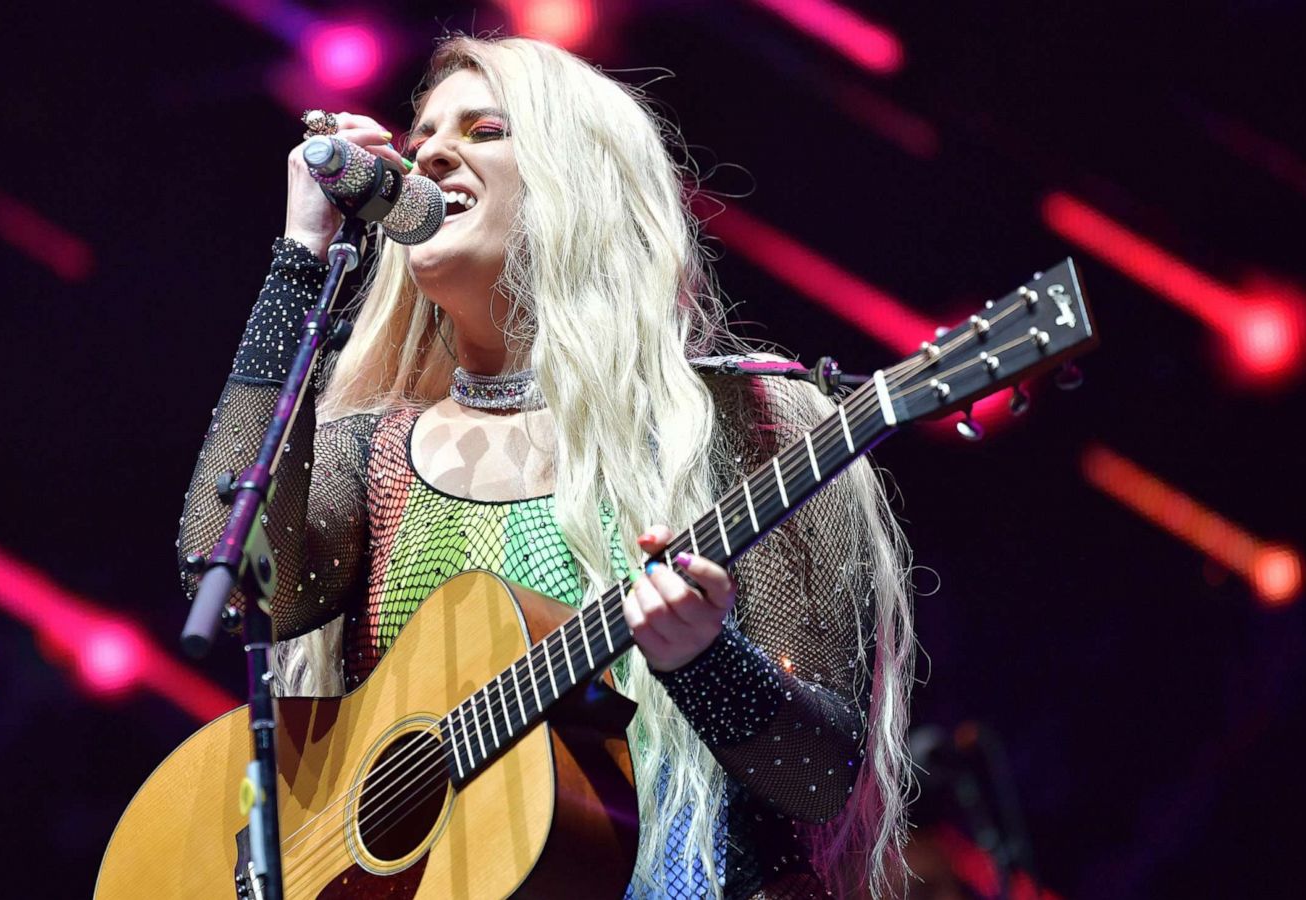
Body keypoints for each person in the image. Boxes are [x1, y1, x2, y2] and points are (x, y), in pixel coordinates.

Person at [178, 35, 915, 899]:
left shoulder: (749, 428)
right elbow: (230, 575)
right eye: (419, 145)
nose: (435, 153)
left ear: (582, 179)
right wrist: (301, 256)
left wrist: (704, 659)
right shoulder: (376, 458)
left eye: (486, 129)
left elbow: (819, 776)